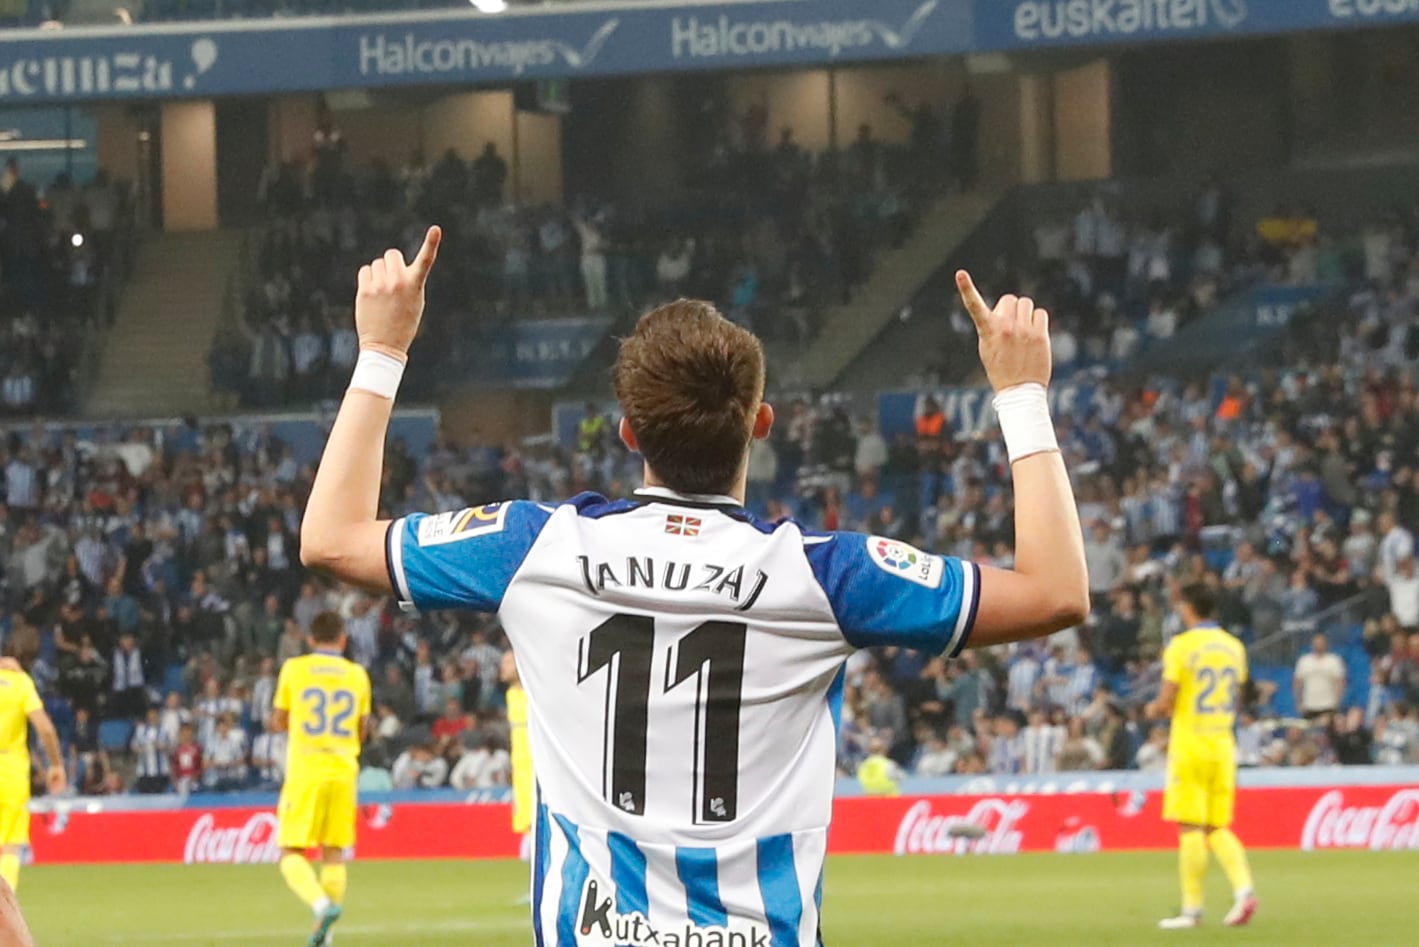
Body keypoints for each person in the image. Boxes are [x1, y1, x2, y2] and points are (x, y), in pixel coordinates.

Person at [298, 226, 1088, 943]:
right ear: (761, 423)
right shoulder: (825, 574)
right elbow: (1055, 592)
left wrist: (383, 348)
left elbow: (330, 539)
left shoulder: (533, 547)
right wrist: (1021, 394)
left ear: (627, 432)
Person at [1146, 583, 1257, 930]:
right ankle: (1244, 890)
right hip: (1223, 742)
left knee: (1190, 826)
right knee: (1217, 826)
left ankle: (1192, 910)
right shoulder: (1233, 647)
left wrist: (1152, 709)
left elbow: (1166, 702)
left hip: (1191, 744)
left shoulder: (1182, 646)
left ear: (1189, 608)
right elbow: (1237, 696)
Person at [270, 611, 371, 947]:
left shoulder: (294, 669)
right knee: (334, 853)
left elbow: (279, 720)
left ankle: (321, 905)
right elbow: (363, 729)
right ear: (342, 640)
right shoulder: (357, 675)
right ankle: (326, 938)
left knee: (290, 852)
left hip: (306, 769)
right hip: (343, 770)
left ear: (310, 639)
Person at [0, 655, 65, 893]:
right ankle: (3, 914)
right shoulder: (20, 683)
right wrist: (56, 764)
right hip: (10, 768)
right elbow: (45, 729)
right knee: (9, 846)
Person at [502, 651, 535, 863]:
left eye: (507, 662)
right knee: (525, 818)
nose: (502, 667)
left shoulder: (535, 693)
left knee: (534, 818)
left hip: (538, 765)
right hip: (520, 766)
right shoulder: (511, 694)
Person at [1293, 633, 1346, 721]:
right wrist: (1298, 703)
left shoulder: (1333, 660)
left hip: (1328, 705)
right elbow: (1298, 683)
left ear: (1326, 644)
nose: (1318, 645)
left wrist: (1336, 702)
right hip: (1309, 706)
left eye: (1321, 643)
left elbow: (1339, 682)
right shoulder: (1304, 661)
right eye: (1316, 643)